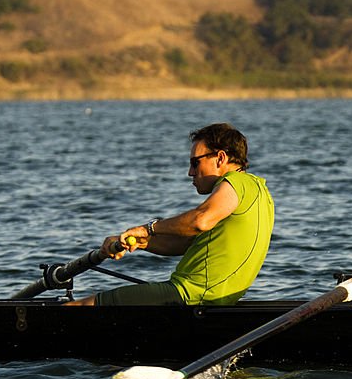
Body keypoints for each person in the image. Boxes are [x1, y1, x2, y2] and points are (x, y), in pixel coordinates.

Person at [67, 123, 274, 306]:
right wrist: (141, 242)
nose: (190, 173)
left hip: (188, 294)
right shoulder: (260, 192)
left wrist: (148, 228)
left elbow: (199, 220)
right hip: (206, 298)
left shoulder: (238, 183)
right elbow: (185, 244)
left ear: (220, 158)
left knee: (79, 308)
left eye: (195, 163)